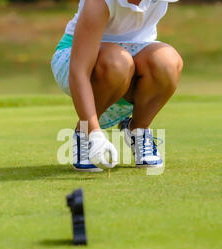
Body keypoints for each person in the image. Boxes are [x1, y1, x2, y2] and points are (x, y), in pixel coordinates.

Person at [51, 0, 183, 172]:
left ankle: (138, 130)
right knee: (118, 63)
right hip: (74, 58)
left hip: (134, 54)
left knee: (167, 62)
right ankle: (85, 134)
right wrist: (94, 133)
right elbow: (79, 71)